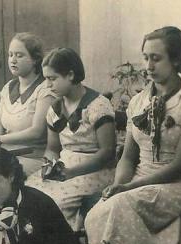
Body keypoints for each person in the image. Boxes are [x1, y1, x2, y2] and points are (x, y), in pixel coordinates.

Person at [85, 26, 181, 244]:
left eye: (156, 58)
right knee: (98, 211)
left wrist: (129, 188)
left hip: (180, 180)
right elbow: (128, 157)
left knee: (121, 205)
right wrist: (117, 185)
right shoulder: (137, 102)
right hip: (140, 176)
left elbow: (179, 166)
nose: (148, 66)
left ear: (175, 60)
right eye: (145, 57)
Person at [26, 47, 116, 231]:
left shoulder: (98, 105)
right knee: (29, 194)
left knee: (55, 202)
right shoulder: (55, 108)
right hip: (64, 166)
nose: (48, 85)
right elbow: (52, 148)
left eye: (52, 79)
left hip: (94, 169)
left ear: (70, 75)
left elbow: (107, 151)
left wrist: (73, 172)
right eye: (46, 79)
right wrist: (49, 165)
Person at [0, 33, 58, 174]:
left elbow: (37, 132)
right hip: (5, 154)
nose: (13, 60)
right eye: (10, 55)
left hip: (32, 158)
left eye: (19, 55)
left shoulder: (45, 88)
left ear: (35, 59)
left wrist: (0, 139)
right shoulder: (8, 87)